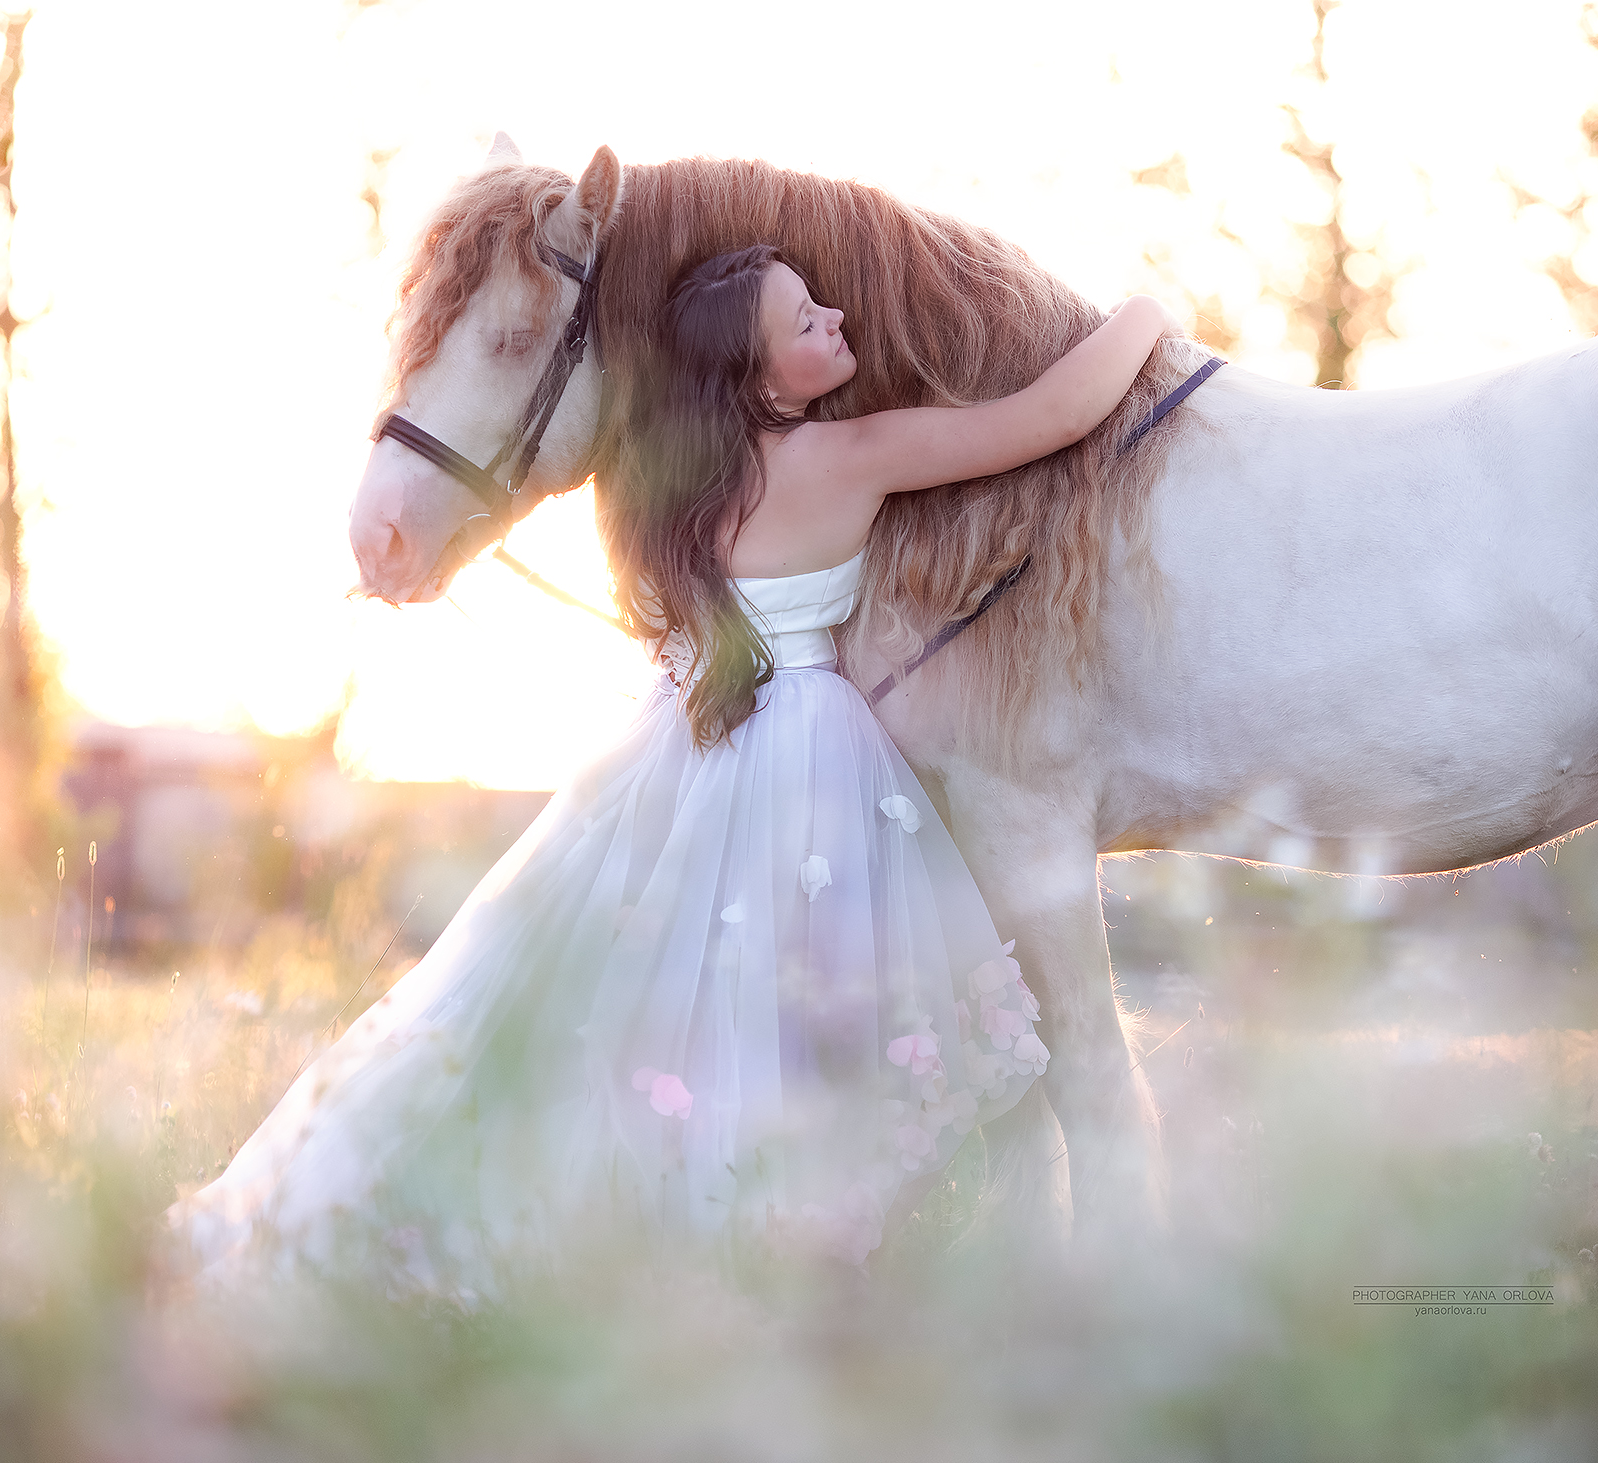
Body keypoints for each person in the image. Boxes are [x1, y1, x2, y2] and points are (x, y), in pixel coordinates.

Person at [175, 246, 1173, 1289]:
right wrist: (1145, 311)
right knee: (787, 1010)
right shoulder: (852, 455)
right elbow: (1052, 414)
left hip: (675, 739)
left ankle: (406, 1215)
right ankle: (761, 1241)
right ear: (757, 374)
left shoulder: (673, 487)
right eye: (803, 320)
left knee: (606, 990)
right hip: (801, 752)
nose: (836, 319)